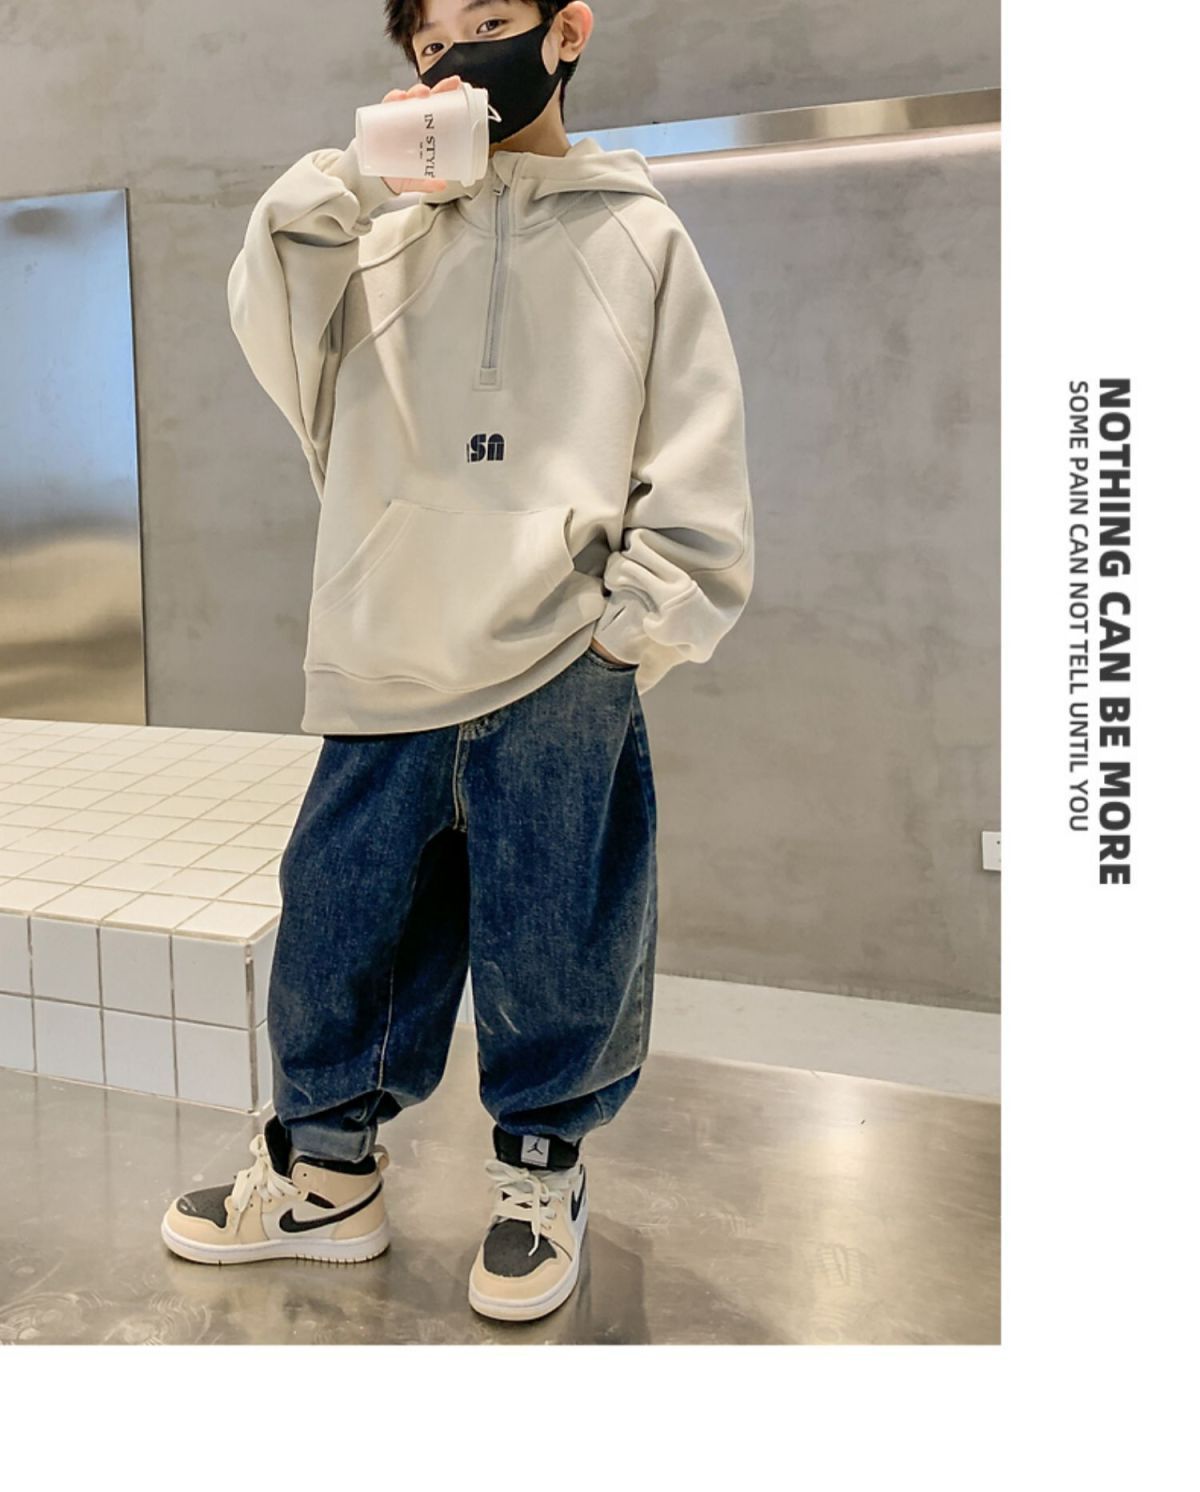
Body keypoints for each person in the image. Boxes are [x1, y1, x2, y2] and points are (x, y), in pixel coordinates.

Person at [160, 0, 753, 1323]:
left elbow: (695, 456)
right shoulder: (371, 238)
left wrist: (629, 630)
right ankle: (327, 1181)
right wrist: (367, 170)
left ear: (565, 32)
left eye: (492, 21)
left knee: (560, 935)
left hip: (560, 656)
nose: (460, 57)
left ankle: (541, 1177)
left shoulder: (637, 234)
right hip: (386, 645)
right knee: (342, 925)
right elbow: (269, 306)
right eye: (433, 41)